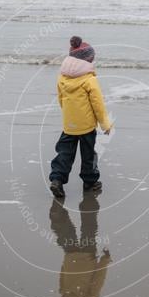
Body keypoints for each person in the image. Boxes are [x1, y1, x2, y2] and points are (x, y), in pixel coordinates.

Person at [49, 36, 112, 198]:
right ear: (88, 60)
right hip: (87, 126)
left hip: (69, 125)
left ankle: (57, 179)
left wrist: (68, 117)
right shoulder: (89, 80)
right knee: (89, 154)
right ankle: (90, 182)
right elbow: (98, 104)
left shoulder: (62, 78)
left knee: (64, 153)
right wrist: (105, 125)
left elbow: (61, 99)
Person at [49, 196, 111, 297]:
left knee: (89, 227)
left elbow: (98, 279)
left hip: (87, 257)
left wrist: (105, 259)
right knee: (65, 232)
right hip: (70, 257)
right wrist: (65, 263)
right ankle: (58, 216)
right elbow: (62, 278)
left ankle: (88, 205)